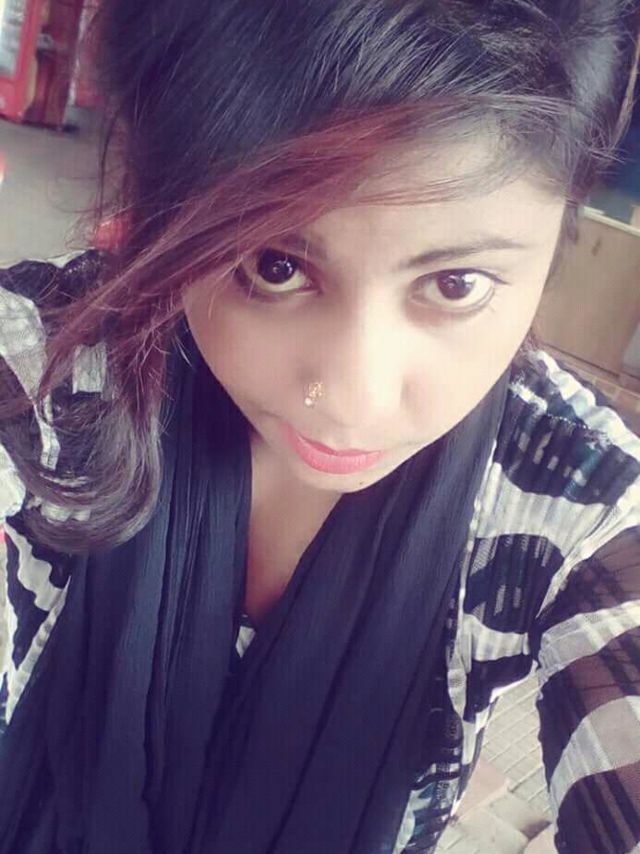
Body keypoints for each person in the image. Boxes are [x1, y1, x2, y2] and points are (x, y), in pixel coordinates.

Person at [1, 1, 640, 852]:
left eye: (456, 284)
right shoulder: (52, 364)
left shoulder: (577, 500)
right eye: (274, 265)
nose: (351, 399)